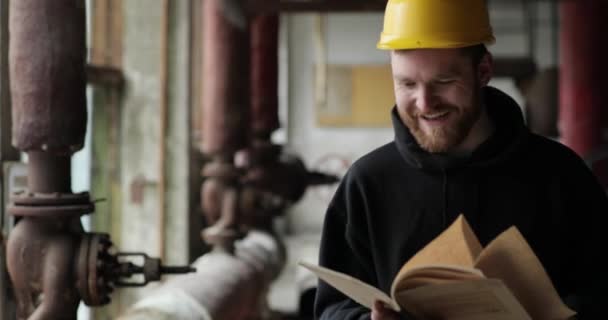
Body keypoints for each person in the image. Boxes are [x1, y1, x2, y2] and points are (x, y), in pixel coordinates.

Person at [313, 0, 608, 319]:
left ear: (483, 71)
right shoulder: (367, 183)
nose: (425, 103)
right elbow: (332, 308)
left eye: (443, 82)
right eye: (407, 84)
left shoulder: (561, 174)